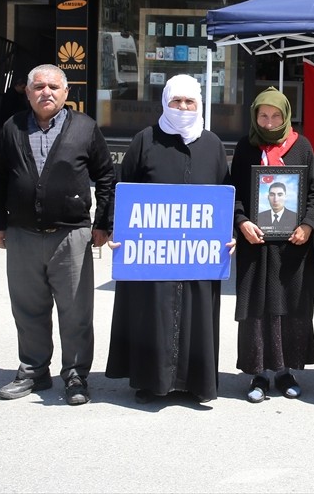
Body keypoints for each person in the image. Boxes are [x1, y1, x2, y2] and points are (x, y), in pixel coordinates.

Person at [0, 64, 116, 406]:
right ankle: (33, 370)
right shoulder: (13, 127)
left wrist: (103, 222)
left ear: (66, 93)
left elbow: (105, 177)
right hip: (23, 234)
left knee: (75, 310)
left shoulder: (85, 128)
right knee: (28, 309)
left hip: (71, 235)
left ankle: (76, 375)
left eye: (53, 87)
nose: (46, 92)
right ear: (27, 92)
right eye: (39, 86)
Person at [105, 74, 235, 405]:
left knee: (196, 311)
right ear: (164, 102)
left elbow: (227, 198)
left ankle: (195, 383)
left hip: (198, 252)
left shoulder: (213, 145)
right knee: (153, 311)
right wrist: (117, 230)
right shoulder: (145, 140)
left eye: (189, 102)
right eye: (176, 101)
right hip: (152, 251)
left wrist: (230, 232)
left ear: (200, 104)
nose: (182, 107)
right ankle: (152, 382)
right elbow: (124, 191)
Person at [229, 87, 314, 403]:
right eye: (263, 115)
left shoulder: (302, 147)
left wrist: (308, 226)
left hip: (292, 247)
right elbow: (235, 194)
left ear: (286, 116)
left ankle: (285, 372)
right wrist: (242, 222)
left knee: (290, 307)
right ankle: (258, 374)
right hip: (256, 245)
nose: (269, 123)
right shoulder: (245, 148)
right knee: (259, 308)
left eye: (276, 116)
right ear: (255, 116)